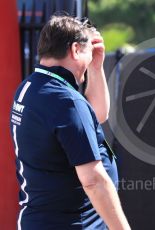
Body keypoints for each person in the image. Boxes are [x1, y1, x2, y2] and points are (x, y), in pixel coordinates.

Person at [9, 14, 130, 230]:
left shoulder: (30, 87)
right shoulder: (67, 101)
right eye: (87, 52)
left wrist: (96, 66)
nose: (90, 57)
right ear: (75, 50)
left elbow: (97, 116)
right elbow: (93, 181)